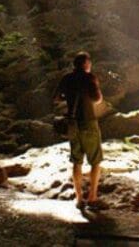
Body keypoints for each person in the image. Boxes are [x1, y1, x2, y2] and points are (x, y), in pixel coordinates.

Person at [53, 51, 104, 210]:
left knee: (76, 161)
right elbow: (97, 99)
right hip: (88, 122)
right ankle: (93, 197)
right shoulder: (90, 78)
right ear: (86, 64)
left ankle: (79, 198)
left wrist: (67, 96)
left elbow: (56, 98)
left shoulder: (66, 78)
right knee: (95, 160)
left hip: (72, 124)